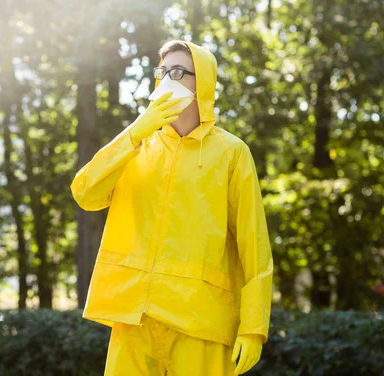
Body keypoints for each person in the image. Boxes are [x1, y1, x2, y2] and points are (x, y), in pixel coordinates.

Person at [70, 39, 273, 375]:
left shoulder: (231, 153)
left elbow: (254, 246)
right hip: (132, 318)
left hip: (198, 321)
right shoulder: (137, 144)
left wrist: (253, 328)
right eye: (161, 72)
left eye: (178, 71)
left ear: (203, 82)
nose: (166, 79)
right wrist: (134, 133)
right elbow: (86, 193)